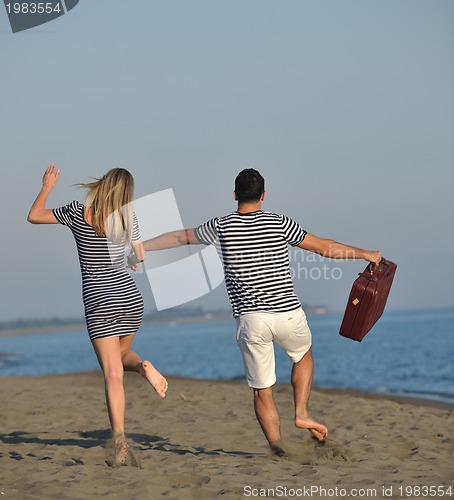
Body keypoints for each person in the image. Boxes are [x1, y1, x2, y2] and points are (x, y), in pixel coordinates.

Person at [142, 168, 381, 456]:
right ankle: (301, 411)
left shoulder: (220, 226)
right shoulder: (279, 222)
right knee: (303, 356)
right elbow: (324, 248)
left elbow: (180, 238)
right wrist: (365, 253)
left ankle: (278, 448)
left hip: (251, 320)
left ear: (234, 195)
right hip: (288, 315)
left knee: (262, 391)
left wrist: (142, 246)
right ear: (263, 195)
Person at [28, 165, 169, 467]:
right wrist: (130, 259)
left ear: (102, 184)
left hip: (100, 301)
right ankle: (144, 367)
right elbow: (140, 255)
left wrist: (47, 186)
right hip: (130, 299)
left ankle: (119, 443)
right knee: (121, 356)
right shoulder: (127, 218)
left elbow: (34, 215)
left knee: (112, 374)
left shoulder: (77, 212)